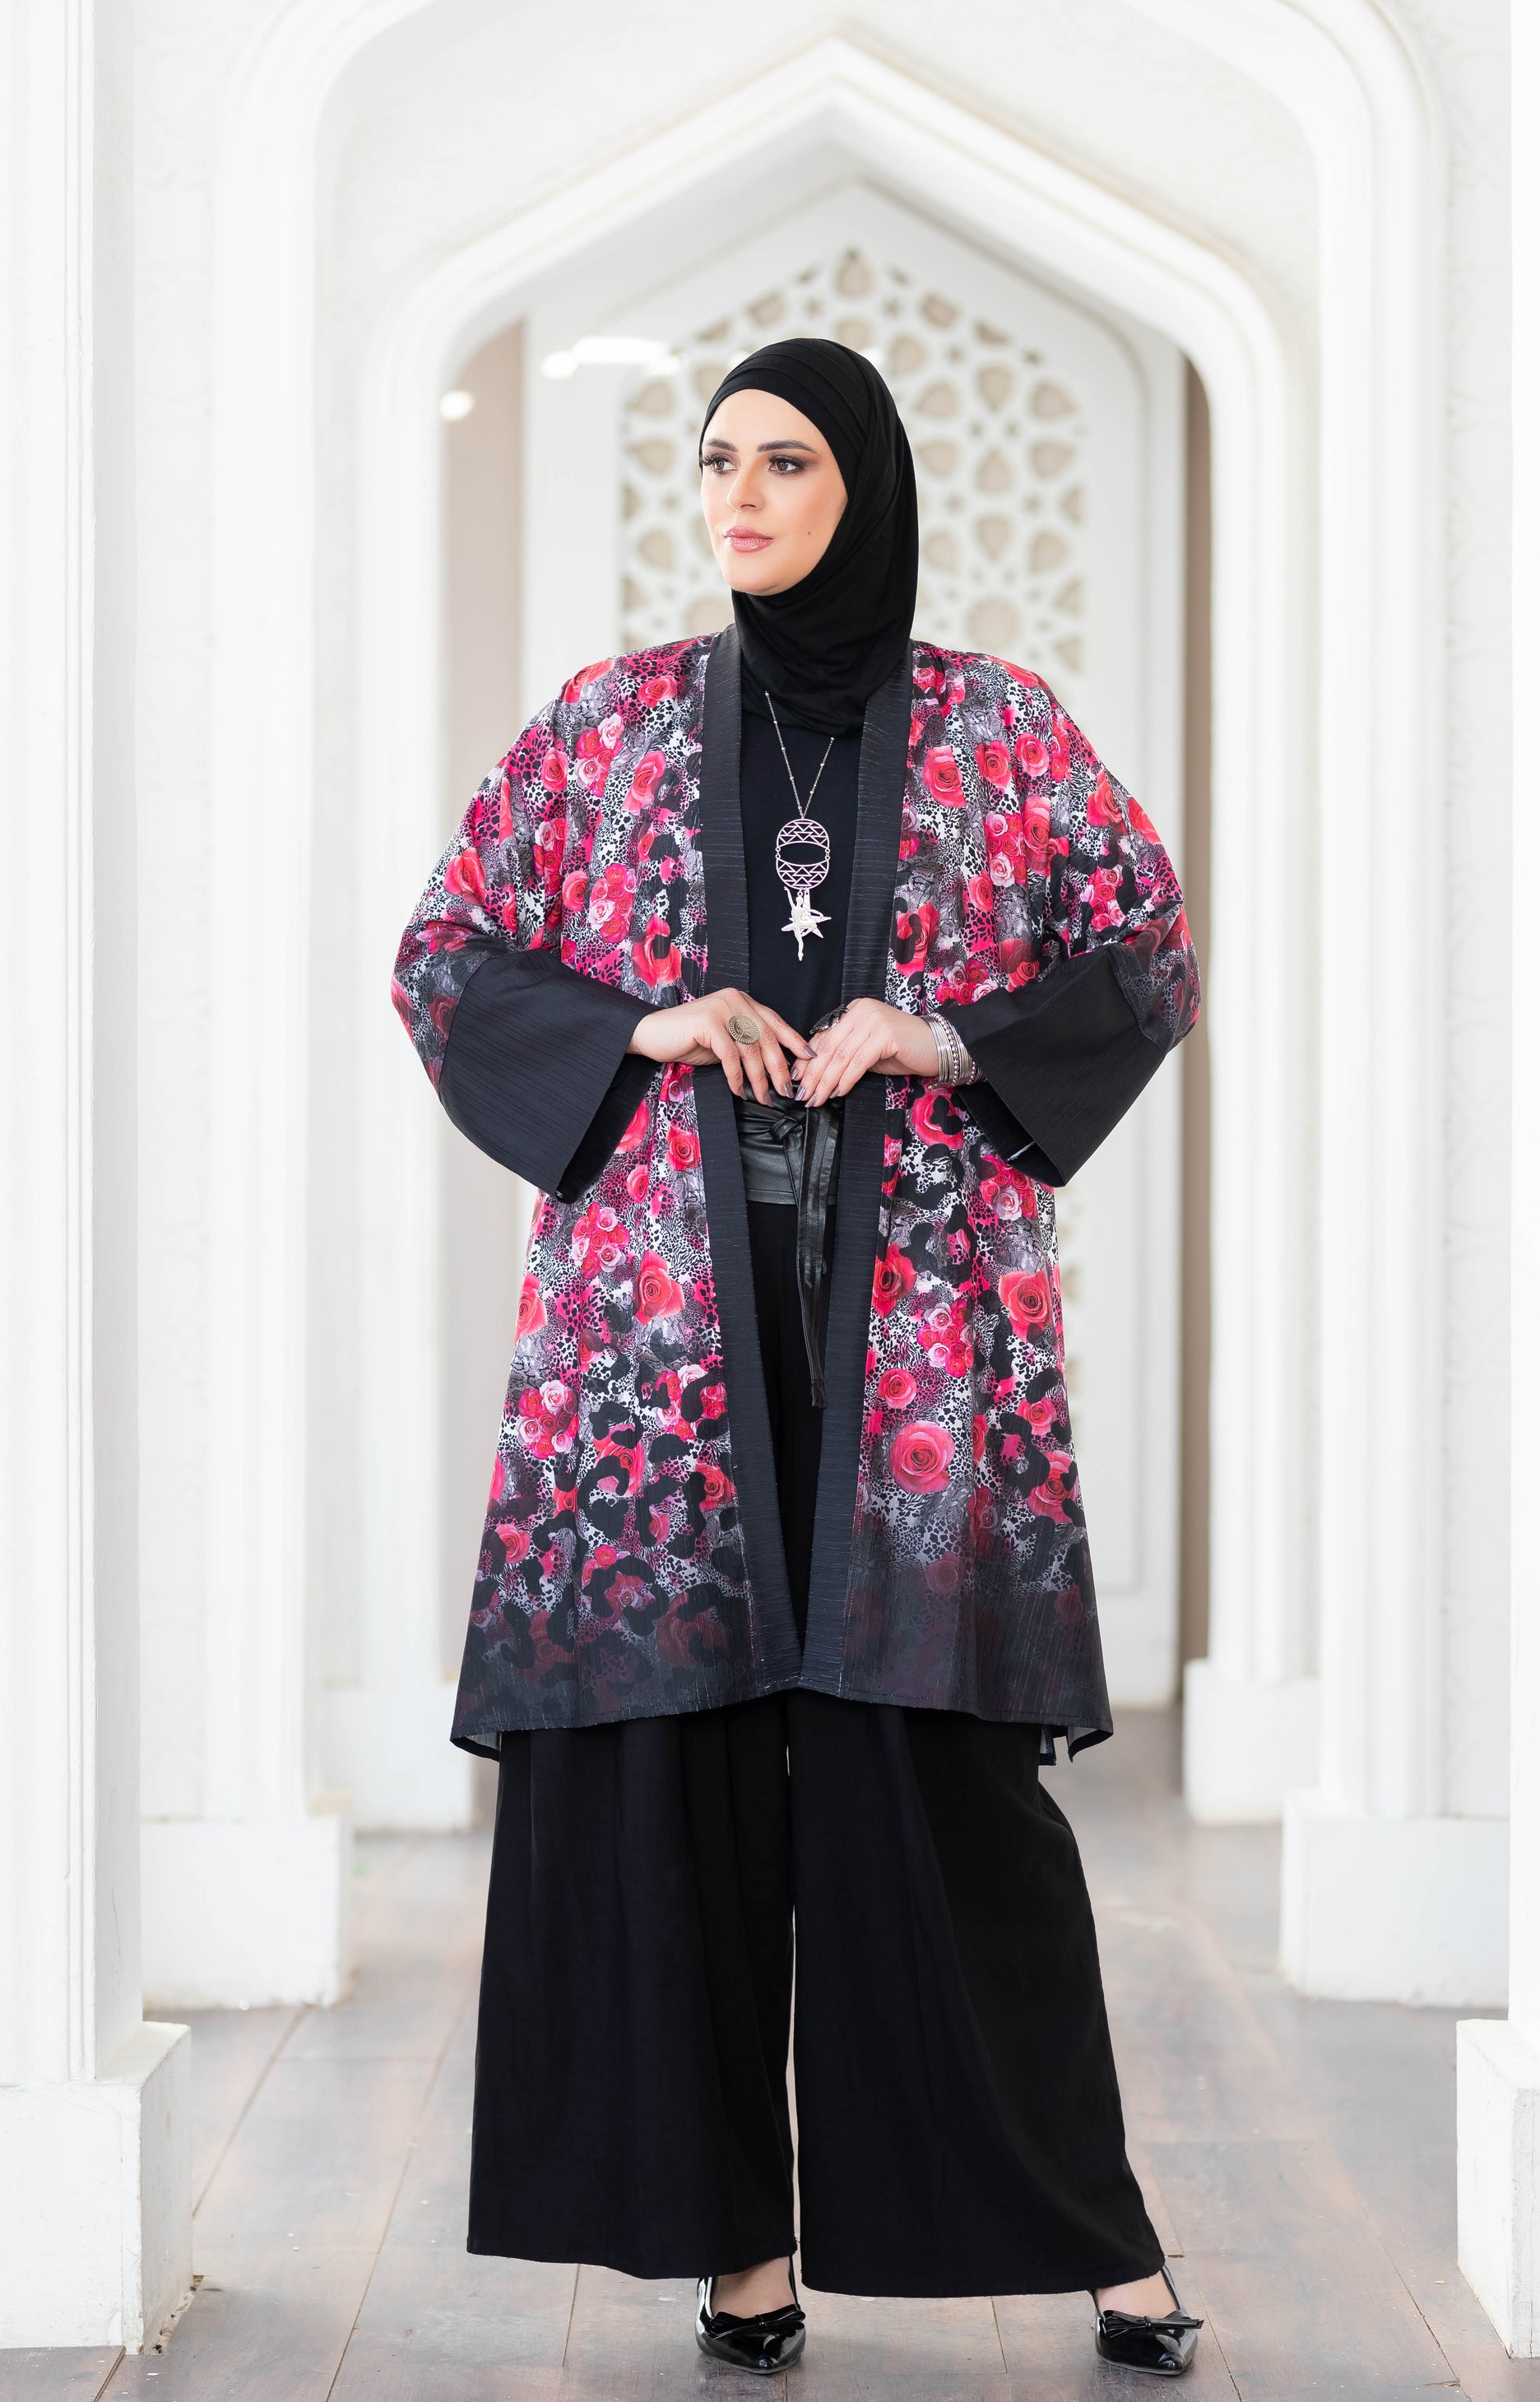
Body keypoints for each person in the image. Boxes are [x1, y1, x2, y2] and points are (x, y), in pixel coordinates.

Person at [392, 337, 1204, 2380]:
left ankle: (1097, 2239)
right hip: (662, 1350)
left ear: (869, 486)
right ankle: (738, 2252)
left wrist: (943, 1036)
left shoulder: (998, 729)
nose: (738, 497)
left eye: (785, 462)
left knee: (945, 1797)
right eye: (716, 461)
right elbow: (445, 954)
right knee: (670, 1790)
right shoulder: (607, 725)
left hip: (914, 1339)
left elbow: (1145, 947)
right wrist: (644, 1022)